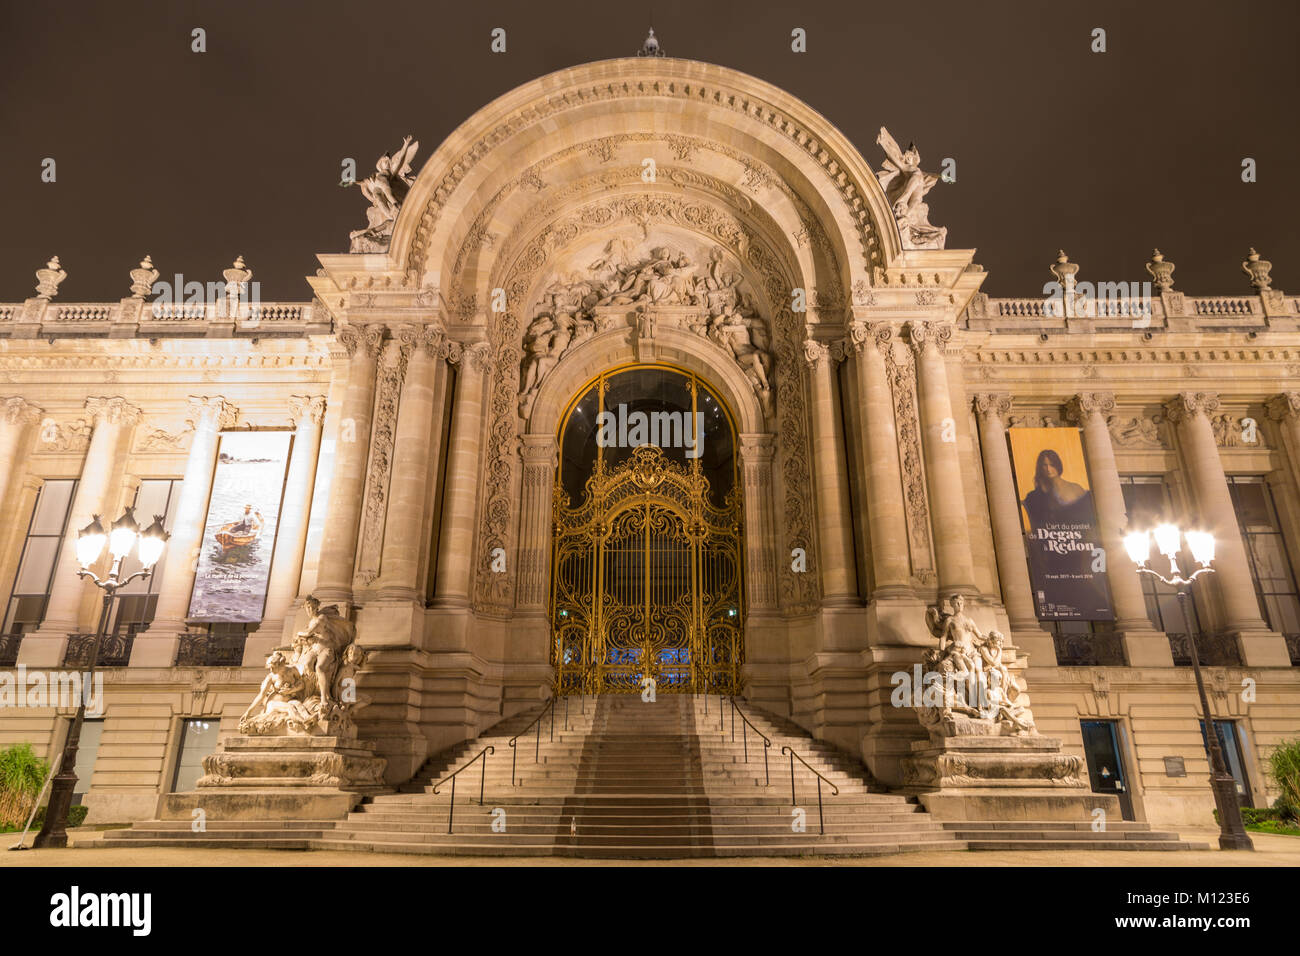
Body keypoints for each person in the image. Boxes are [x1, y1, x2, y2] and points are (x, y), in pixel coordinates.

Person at [1021, 449, 1092, 532]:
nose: (1048, 469)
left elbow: (1088, 518)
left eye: (1052, 465)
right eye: (1045, 465)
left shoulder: (1075, 488)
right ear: (1040, 468)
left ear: (1058, 465)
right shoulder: (1033, 496)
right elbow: (1037, 526)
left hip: (1079, 536)